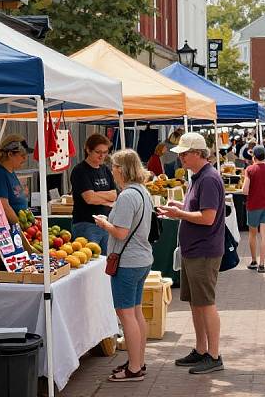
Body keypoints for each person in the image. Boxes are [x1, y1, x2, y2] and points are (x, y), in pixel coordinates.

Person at [157, 133, 225, 374]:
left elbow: (207, 217)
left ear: (198, 153)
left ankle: (214, 355)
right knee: (197, 303)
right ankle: (201, 350)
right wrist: (180, 207)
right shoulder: (199, 177)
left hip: (203, 251)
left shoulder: (208, 179)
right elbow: (200, 210)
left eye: (185, 153)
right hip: (194, 250)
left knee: (205, 303)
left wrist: (180, 214)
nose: (181, 157)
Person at [93, 149, 153, 382]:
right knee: (135, 312)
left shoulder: (128, 195)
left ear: (121, 169)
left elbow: (120, 231)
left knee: (126, 314)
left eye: (113, 168)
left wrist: (104, 223)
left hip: (128, 262)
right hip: (140, 259)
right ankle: (138, 361)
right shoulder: (142, 192)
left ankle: (134, 368)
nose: (112, 172)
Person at [70, 134, 116, 255]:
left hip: (106, 224)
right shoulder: (80, 171)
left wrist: (97, 195)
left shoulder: (105, 170)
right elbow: (89, 198)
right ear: (88, 150)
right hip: (86, 224)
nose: (102, 156)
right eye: (98, 152)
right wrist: (105, 197)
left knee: (106, 264)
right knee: (90, 263)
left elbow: (114, 195)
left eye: (105, 152)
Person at [0, 135, 33, 224]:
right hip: (5, 232)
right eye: (22, 155)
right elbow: (3, 206)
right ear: (10, 154)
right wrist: (20, 228)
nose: (25, 158)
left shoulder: (10, 172)